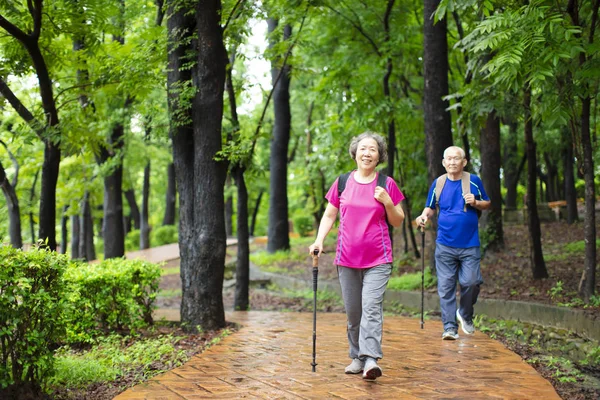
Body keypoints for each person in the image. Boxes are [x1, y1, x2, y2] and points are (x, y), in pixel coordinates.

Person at [309, 131, 405, 380]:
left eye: (372, 149)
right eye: (363, 148)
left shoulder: (386, 183)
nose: (367, 153)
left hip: (378, 258)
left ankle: (371, 359)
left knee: (371, 308)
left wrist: (388, 203)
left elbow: (398, 221)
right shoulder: (342, 182)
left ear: (379, 155)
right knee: (354, 312)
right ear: (355, 153)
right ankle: (357, 357)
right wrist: (319, 240)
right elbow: (330, 214)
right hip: (347, 258)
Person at [416, 146, 491, 340]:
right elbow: (430, 207)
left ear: (464, 162)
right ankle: (449, 328)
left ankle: (465, 314)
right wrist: (423, 217)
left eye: (456, 159)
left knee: (472, 282)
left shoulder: (473, 181)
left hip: (470, 244)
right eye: (448, 159)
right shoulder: (439, 183)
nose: (452, 162)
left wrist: (475, 202)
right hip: (445, 245)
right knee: (446, 287)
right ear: (443, 162)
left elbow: (487, 203)